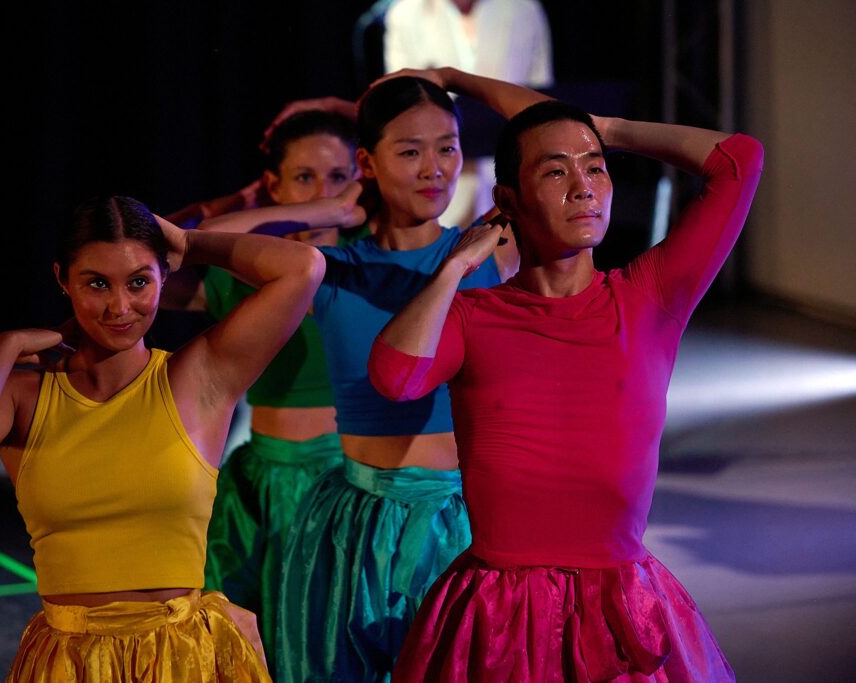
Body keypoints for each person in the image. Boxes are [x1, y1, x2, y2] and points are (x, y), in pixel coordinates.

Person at [367, 66, 762, 681]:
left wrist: (603, 129)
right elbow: (394, 378)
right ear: (508, 201)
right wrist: (452, 268)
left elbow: (739, 159)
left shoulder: (648, 297)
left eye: (595, 167)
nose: (583, 187)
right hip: (496, 619)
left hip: (619, 612)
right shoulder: (475, 315)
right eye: (555, 171)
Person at [0, 196, 326, 682]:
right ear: (62, 280)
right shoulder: (25, 394)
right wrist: (8, 344)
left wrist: (191, 242)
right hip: (69, 665)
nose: (120, 307)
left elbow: (303, 268)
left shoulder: (198, 377)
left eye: (138, 282)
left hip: (182, 661)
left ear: (163, 278)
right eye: (96, 283)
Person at [264, 74, 519, 682]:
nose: (435, 168)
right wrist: (331, 208)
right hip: (356, 525)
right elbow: (199, 245)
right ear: (367, 162)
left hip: (466, 522)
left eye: (448, 146)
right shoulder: (330, 269)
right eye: (409, 151)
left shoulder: (489, 250)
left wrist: (456, 80)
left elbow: (563, 128)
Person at [159, 110, 368, 679]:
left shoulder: (373, 263)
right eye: (304, 179)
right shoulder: (242, 274)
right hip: (258, 489)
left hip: (347, 490)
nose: (322, 194)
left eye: (336, 178)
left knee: (329, 652)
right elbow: (146, 252)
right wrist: (236, 203)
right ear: (272, 186)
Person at [382, 0, 554, 228]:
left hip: (512, 167)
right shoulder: (405, 14)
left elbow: (541, 92)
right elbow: (401, 99)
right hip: (441, 174)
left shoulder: (524, 9)